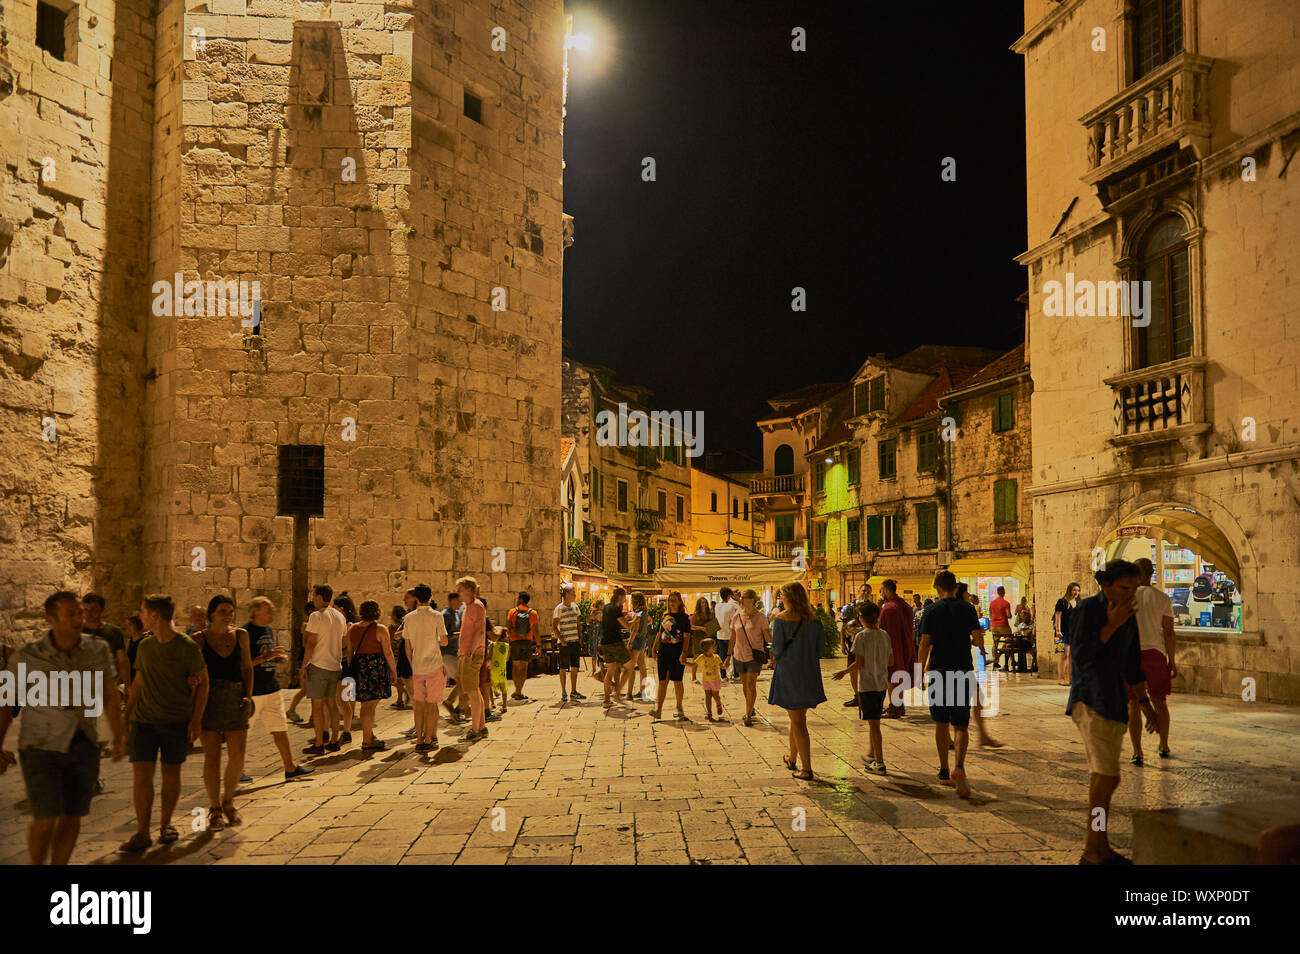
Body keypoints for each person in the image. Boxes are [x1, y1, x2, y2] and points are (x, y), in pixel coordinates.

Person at [0, 591, 124, 864]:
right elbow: (6, 703)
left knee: (72, 814)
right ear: (50, 619)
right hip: (40, 745)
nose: (79, 618)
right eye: (71, 614)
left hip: (83, 741)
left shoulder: (97, 649)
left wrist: (119, 735)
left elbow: (109, 693)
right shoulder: (28, 657)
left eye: (80, 612)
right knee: (46, 816)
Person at [1068, 560, 1160, 865]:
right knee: (1106, 779)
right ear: (1106, 585)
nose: (1131, 593)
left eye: (1135, 588)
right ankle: (1094, 848)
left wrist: (1145, 704)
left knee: (1105, 778)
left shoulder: (1128, 612)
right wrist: (1111, 625)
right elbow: (1080, 654)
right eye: (1124, 588)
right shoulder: (1088, 610)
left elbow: (1132, 662)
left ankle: (1098, 844)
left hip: (1115, 701)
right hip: (1092, 700)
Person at [121, 594, 209, 852]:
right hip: (144, 722)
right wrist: (127, 716)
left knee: (171, 774)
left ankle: (166, 826)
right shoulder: (145, 646)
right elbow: (138, 683)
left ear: (155, 615)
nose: (141, 616)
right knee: (142, 777)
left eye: (143, 612)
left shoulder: (186, 646)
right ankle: (142, 832)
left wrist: (196, 719)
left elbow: (203, 683)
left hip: (175, 722)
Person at [917, 572, 983, 798]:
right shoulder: (967, 609)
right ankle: (960, 767)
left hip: (938, 671)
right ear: (955, 587)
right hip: (962, 669)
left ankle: (944, 770)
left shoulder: (930, 611)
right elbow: (977, 636)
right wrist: (978, 646)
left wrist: (918, 672)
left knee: (941, 722)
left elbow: (925, 643)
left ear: (937, 588)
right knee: (961, 725)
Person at [193, 594, 253, 829]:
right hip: (209, 699)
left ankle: (228, 801)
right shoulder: (198, 640)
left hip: (235, 697)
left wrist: (248, 695)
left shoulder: (241, 635)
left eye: (230, 611)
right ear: (211, 615)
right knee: (213, 757)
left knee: (237, 755)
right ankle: (214, 807)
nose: (227, 616)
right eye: (222, 612)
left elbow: (247, 667)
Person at [243, 597, 312, 781]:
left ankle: (290, 767)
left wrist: (276, 658)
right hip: (254, 690)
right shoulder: (246, 633)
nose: (273, 614)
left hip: (271, 688)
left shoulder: (267, 630)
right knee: (243, 732)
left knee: (280, 728)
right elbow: (244, 664)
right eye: (269, 610)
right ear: (256, 612)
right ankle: (237, 770)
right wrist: (266, 658)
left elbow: (266, 655)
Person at [769, 582, 825, 780]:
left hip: (790, 673)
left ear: (789, 598)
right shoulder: (814, 621)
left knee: (798, 721)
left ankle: (807, 768)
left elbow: (776, 649)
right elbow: (820, 649)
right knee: (797, 717)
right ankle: (792, 758)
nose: (780, 599)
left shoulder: (781, 620)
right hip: (809, 673)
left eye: (782, 595)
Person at [1127, 558, 1176, 764]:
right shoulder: (1163, 598)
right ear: (1151, 573)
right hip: (1155, 654)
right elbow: (1169, 632)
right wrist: (1171, 659)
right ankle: (1163, 744)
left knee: (1133, 704)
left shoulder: (1126, 598)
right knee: (1160, 701)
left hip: (1131, 655)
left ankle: (1137, 751)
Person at [833, 601, 891, 774]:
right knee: (875, 721)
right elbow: (891, 661)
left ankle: (879, 762)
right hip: (881, 684)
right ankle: (872, 753)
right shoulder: (885, 635)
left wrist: (843, 671)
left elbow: (858, 663)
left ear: (861, 618)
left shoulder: (861, 636)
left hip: (868, 685)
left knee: (874, 726)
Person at [301, 584, 347, 756]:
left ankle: (319, 743)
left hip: (319, 665)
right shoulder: (340, 617)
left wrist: (304, 665)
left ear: (320, 597)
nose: (313, 599)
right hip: (335, 665)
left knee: (318, 706)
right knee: (332, 704)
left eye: (314, 595)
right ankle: (335, 740)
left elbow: (311, 643)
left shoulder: (316, 616)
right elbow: (343, 642)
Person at [347, 600, 397, 751]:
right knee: (370, 705)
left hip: (359, 667)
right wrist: (393, 671)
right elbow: (388, 652)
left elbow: (349, 651)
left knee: (365, 704)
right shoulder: (380, 629)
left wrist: (352, 669)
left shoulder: (352, 629)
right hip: (375, 667)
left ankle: (368, 736)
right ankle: (367, 741)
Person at [403, 584, 448, 753]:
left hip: (418, 667)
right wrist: (434, 640)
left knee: (419, 705)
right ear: (430, 597)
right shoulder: (437, 616)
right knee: (432, 705)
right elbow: (444, 641)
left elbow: (407, 646)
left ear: (416, 598)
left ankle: (419, 739)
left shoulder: (408, 618)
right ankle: (429, 738)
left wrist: (413, 662)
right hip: (434, 665)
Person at [726, 589, 771, 726]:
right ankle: (750, 708)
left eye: (744, 597)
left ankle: (748, 714)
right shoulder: (736, 617)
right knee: (745, 686)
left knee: (751, 684)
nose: (741, 599)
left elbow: (767, 636)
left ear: (752, 599)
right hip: (739, 654)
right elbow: (733, 637)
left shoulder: (761, 617)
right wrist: (728, 656)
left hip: (754, 655)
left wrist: (772, 652)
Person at [456, 577, 489, 741]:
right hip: (469, 653)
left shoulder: (476, 606)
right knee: (474, 690)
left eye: (460, 589)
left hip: (472, 654)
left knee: (472, 692)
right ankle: (481, 727)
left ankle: (475, 729)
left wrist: (469, 652)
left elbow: (480, 631)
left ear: (468, 590)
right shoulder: (471, 607)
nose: (457, 593)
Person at [878, 580, 916, 718]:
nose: (881, 593)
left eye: (881, 590)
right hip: (906, 644)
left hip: (893, 647)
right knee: (899, 676)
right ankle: (899, 706)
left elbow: (881, 630)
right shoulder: (905, 605)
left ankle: (894, 708)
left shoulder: (888, 608)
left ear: (886, 590)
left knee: (892, 677)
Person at [650, 591, 691, 720]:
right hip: (664, 651)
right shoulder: (665, 615)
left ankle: (679, 708)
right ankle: (658, 709)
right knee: (662, 681)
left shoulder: (684, 617)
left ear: (679, 602)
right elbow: (660, 632)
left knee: (677, 681)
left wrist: (684, 652)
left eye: (674, 600)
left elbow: (687, 636)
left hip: (677, 651)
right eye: (669, 600)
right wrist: (654, 647)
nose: (671, 602)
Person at [82, 593, 130, 696]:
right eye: (86, 610)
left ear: (101, 609)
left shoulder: (113, 632)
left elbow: (122, 660)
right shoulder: (76, 631)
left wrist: (127, 685)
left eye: (93, 610)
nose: (89, 614)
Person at [333, 593, 360, 745]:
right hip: (345, 664)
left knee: (344, 699)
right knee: (344, 699)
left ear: (341, 609)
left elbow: (346, 647)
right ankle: (346, 730)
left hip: (345, 665)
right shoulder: (348, 624)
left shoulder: (348, 626)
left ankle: (347, 731)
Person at [601, 588, 634, 707]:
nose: (625, 600)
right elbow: (627, 626)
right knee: (629, 667)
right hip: (615, 642)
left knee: (609, 671)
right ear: (620, 597)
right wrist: (635, 620)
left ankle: (606, 700)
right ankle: (618, 694)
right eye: (624, 598)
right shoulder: (616, 609)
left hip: (605, 642)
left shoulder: (606, 607)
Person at [554, 586, 585, 703]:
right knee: (563, 668)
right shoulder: (559, 609)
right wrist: (562, 641)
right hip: (565, 643)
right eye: (573, 592)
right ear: (566, 594)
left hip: (575, 641)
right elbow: (554, 626)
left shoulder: (575, 607)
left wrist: (580, 638)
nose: (575, 594)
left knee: (575, 667)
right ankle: (563, 691)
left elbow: (578, 624)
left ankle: (573, 691)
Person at [506, 592, 539, 702]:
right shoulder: (533, 613)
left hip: (515, 641)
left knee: (516, 667)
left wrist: (508, 642)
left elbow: (508, 628)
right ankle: (519, 691)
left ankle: (517, 690)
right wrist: (538, 644)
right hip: (527, 641)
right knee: (524, 667)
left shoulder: (512, 612)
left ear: (520, 599)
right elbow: (536, 631)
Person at [442, 591, 463, 724]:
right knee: (461, 681)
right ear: (451, 601)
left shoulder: (456, 613)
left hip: (455, 651)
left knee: (462, 681)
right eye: (458, 601)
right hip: (447, 652)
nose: (460, 604)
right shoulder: (445, 615)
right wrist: (454, 635)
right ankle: (451, 703)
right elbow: (441, 635)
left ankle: (454, 704)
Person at [1055, 582, 1081, 686]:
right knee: (1063, 655)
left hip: (1073, 632)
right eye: (1074, 590)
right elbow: (1058, 616)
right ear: (1069, 590)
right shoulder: (1061, 601)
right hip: (1061, 633)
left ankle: (1071, 679)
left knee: (1071, 655)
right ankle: (1060, 678)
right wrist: (1058, 630)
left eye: (1078, 590)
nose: (1076, 592)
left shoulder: (1078, 602)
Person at [624, 593, 650, 700]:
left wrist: (629, 643)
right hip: (643, 640)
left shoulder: (638, 614)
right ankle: (642, 691)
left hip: (636, 641)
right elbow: (649, 622)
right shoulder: (645, 613)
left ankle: (629, 693)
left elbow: (635, 630)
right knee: (642, 667)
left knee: (631, 667)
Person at [696, 639, 725, 722]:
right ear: (707, 648)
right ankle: (709, 712)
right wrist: (685, 663)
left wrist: (725, 664)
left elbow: (722, 666)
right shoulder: (701, 657)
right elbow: (694, 664)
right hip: (706, 680)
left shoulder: (716, 657)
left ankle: (718, 703)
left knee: (715, 695)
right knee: (708, 696)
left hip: (715, 680)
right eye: (713, 647)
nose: (715, 648)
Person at [686, 596, 713, 685]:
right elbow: (691, 626)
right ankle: (693, 677)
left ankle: (708, 676)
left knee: (708, 657)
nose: (704, 604)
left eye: (705, 602)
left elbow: (713, 625)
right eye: (702, 602)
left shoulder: (709, 614)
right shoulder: (696, 614)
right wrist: (702, 628)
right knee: (697, 658)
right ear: (699, 604)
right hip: (698, 638)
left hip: (707, 638)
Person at [713, 587, 738, 680]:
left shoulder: (717, 606)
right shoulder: (732, 605)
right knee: (734, 654)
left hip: (720, 634)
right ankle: (736, 674)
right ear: (729, 595)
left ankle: (723, 675)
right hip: (730, 634)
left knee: (722, 655)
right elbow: (735, 619)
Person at [390, 602, 412, 709]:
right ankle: (400, 698)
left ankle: (403, 696)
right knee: (399, 679)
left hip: (395, 654)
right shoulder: (404, 623)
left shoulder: (393, 627)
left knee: (396, 679)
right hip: (403, 654)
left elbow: (392, 639)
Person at [988, 585, 1014, 670]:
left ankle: (996, 661)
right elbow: (1008, 615)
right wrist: (1010, 615)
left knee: (995, 644)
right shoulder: (1006, 603)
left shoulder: (992, 603)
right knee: (1009, 641)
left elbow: (990, 615)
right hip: (1003, 625)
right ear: (1003, 592)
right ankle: (1012, 661)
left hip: (994, 625)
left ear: (997, 592)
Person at [489, 625, 511, 714]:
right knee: (503, 687)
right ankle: (504, 706)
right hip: (502, 668)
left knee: (489, 685)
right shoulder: (507, 646)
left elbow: (489, 656)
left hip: (492, 668)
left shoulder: (492, 645)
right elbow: (507, 659)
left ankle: (492, 703)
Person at [587, 598, 606, 685]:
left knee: (594, 652)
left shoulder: (592, 613)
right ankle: (601, 670)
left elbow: (587, 622)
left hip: (593, 634)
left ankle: (594, 669)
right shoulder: (600, 614)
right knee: (600, 653)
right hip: (599, 634)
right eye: (603, 604)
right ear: (599, 605)